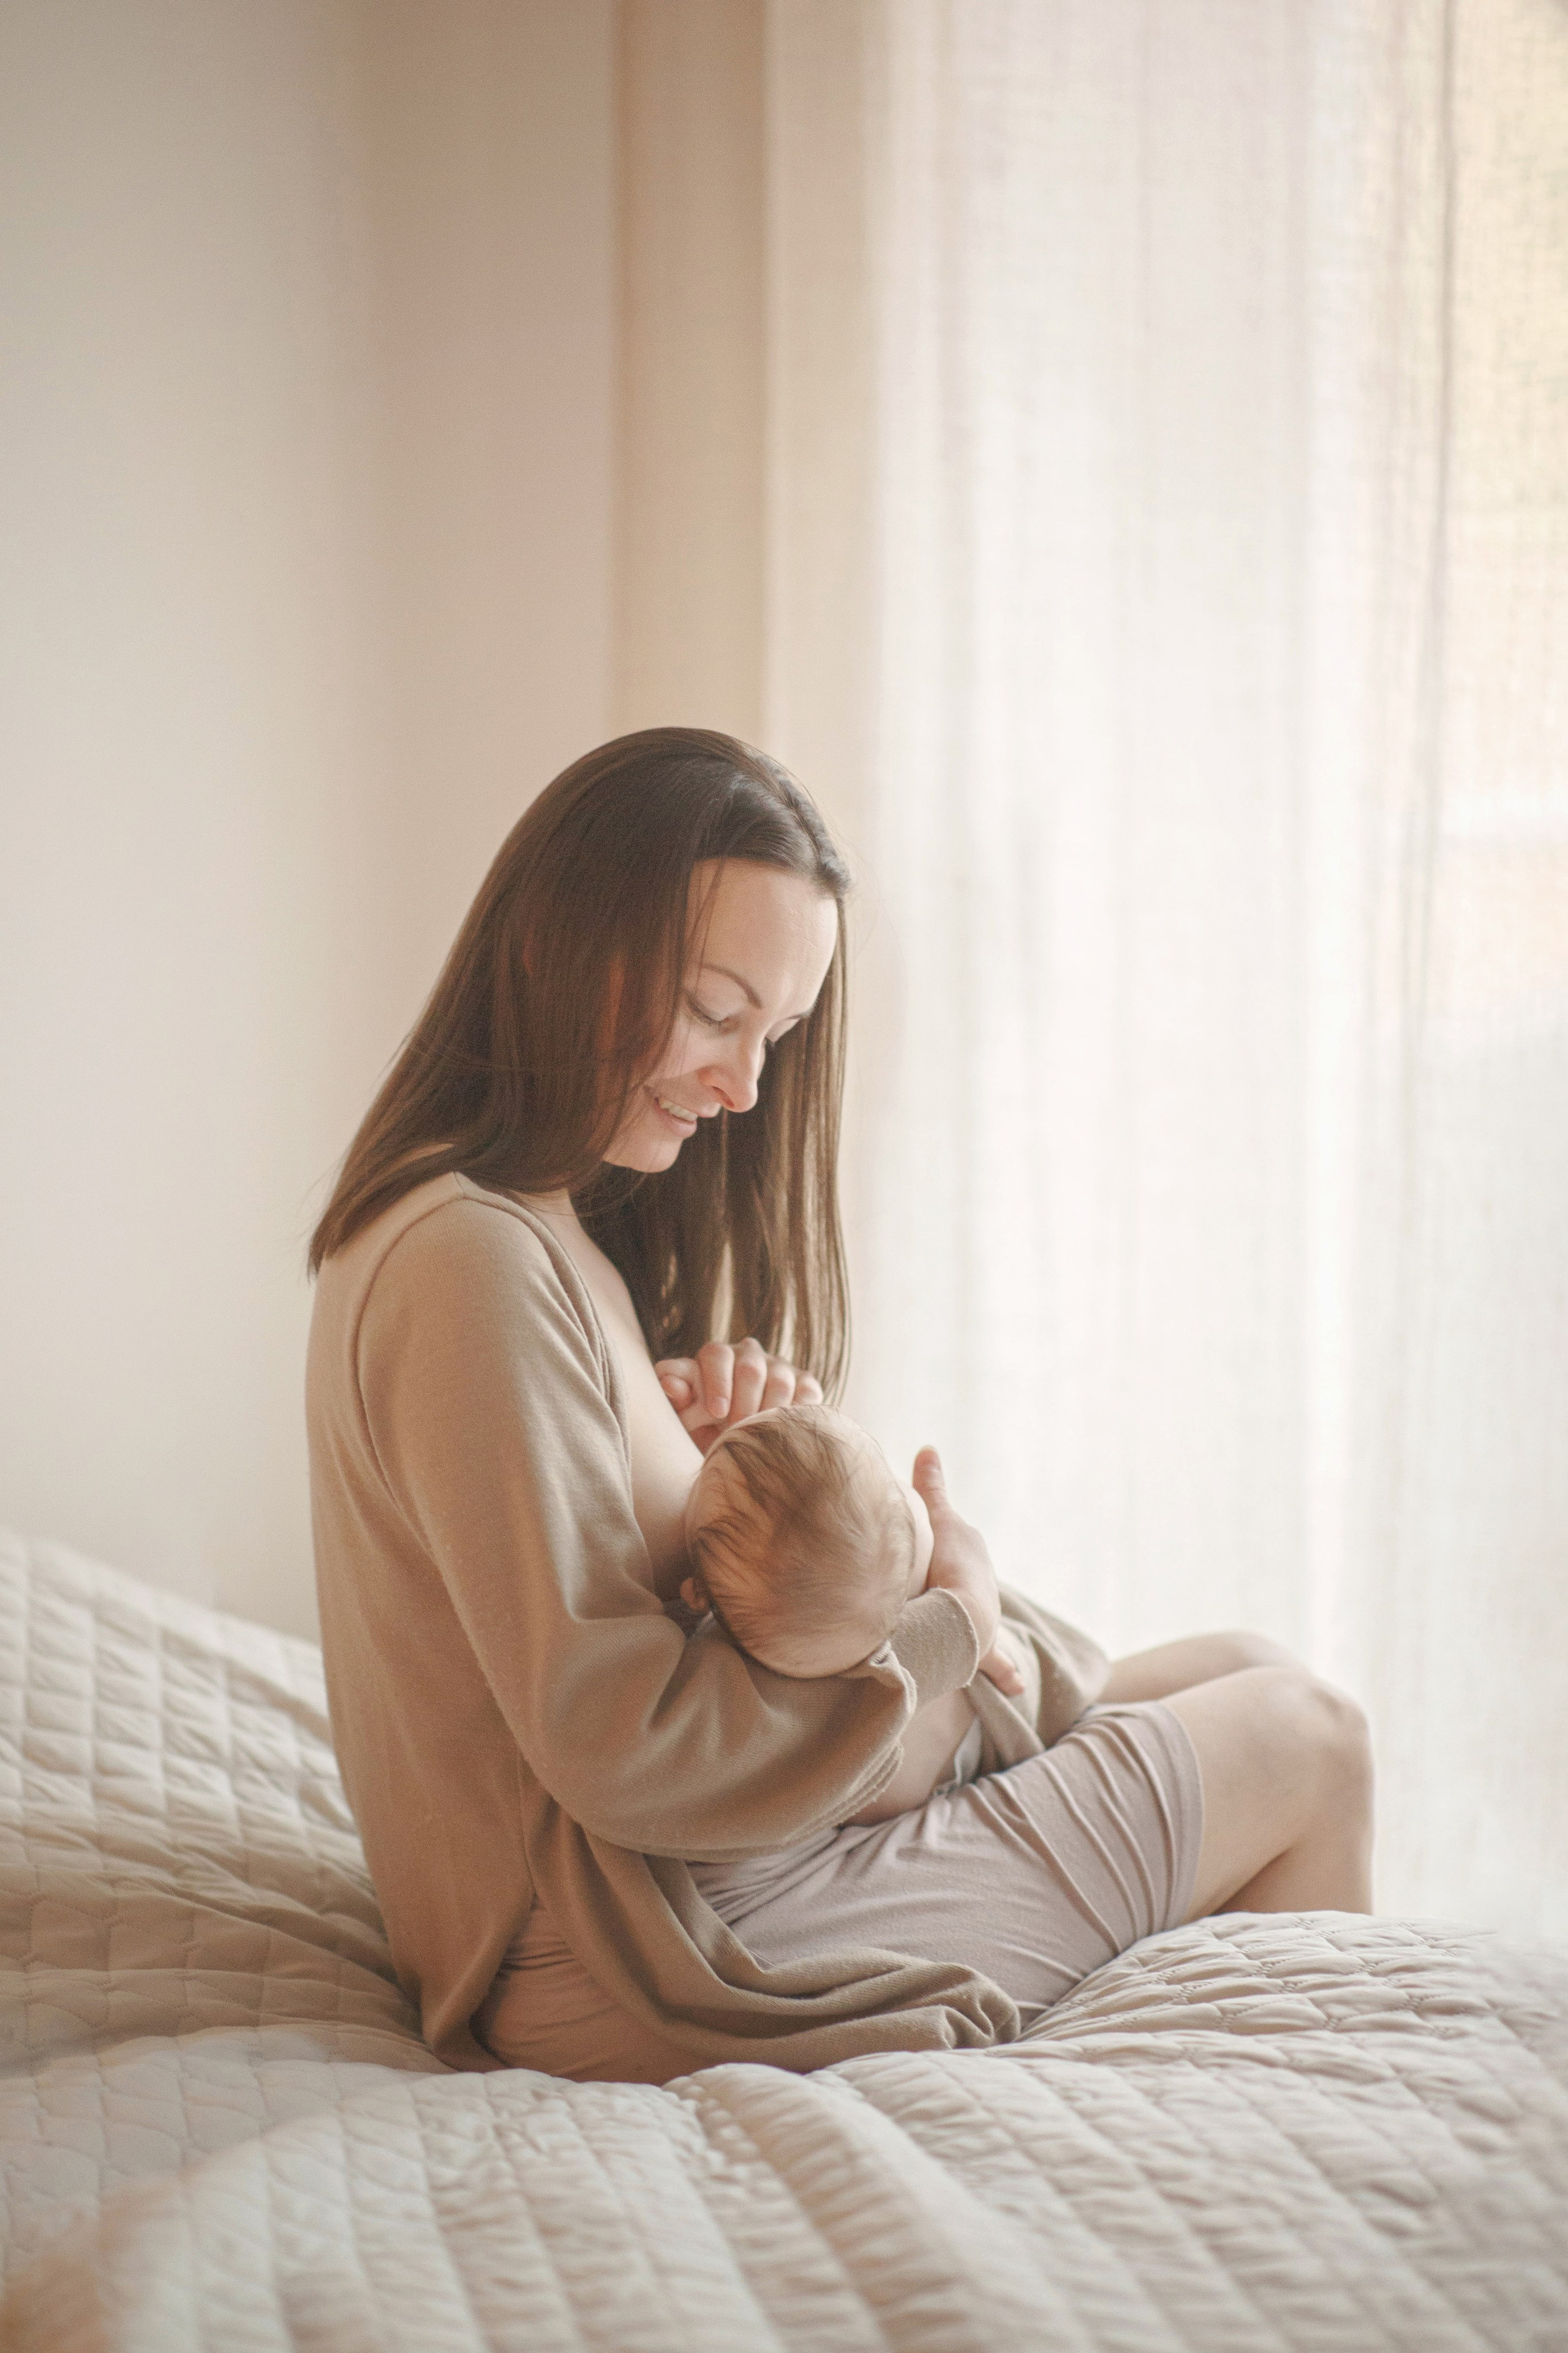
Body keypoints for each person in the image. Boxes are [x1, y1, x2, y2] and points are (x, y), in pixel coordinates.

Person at [305, 725, 1374, 2086]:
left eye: (777, 1034)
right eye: (715, 1011)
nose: (746, 1087)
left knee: (1243, 1660)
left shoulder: (537, 1230)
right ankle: (1292, 2147)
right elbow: (617, 1744)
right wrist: (945, 1631)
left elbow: (585, 1603)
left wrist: (701, 1476)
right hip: (636, 1946)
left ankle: (1215, 2095)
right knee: (1311, 1737)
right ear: (562, 947)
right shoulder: (468, 1261)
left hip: (701, 1866)